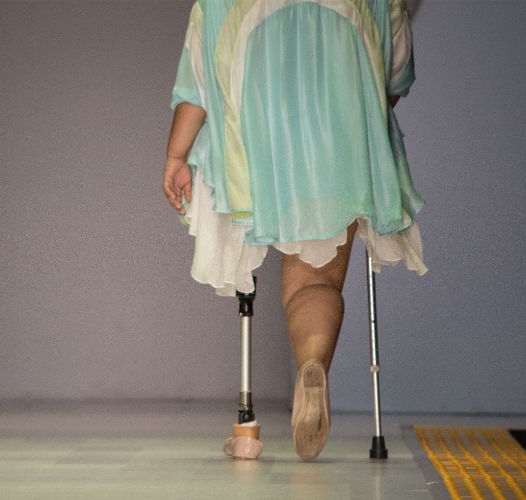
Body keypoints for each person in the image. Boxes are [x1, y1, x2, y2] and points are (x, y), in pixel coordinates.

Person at [162, 0, 428, 461]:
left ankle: (253, 425)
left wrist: (175, 156)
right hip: (342, 138)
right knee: (317, 279)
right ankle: (312, 362)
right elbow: (395, 76)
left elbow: (197, 85)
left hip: (252, 143)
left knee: (277, 261)